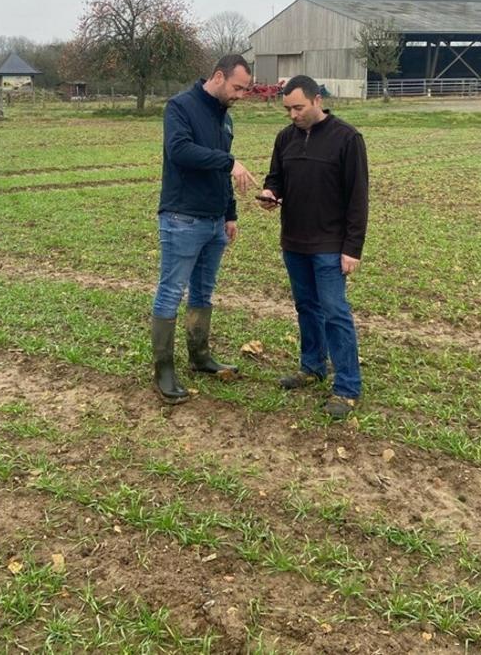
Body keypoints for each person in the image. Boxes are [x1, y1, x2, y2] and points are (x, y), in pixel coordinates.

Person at [259, 75, 368, 420]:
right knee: (306, 306)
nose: (292, 114)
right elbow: (276, 177)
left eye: (298, 107)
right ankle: (312, 366)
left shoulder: (347, 138)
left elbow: (358, 199)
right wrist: (270, 193)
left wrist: (352, 248)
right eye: (288, 109)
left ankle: (348, 386)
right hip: (294, 241)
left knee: (335, 312)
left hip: (330, 245)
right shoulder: (284, 138)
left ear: (317, 100)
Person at [151, 55, 258, 403]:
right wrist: (229, 162)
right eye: (238, 87)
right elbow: (180, 150)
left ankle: (199, 356)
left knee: (203, 292)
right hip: (182, 217)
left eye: (245, 89)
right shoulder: (180, 107)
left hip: (214, 222)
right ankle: (164, 370)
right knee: (171, 291)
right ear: (218, 77)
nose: (241, 95)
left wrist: (230, 214)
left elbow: (220, 172)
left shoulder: (224, 119)